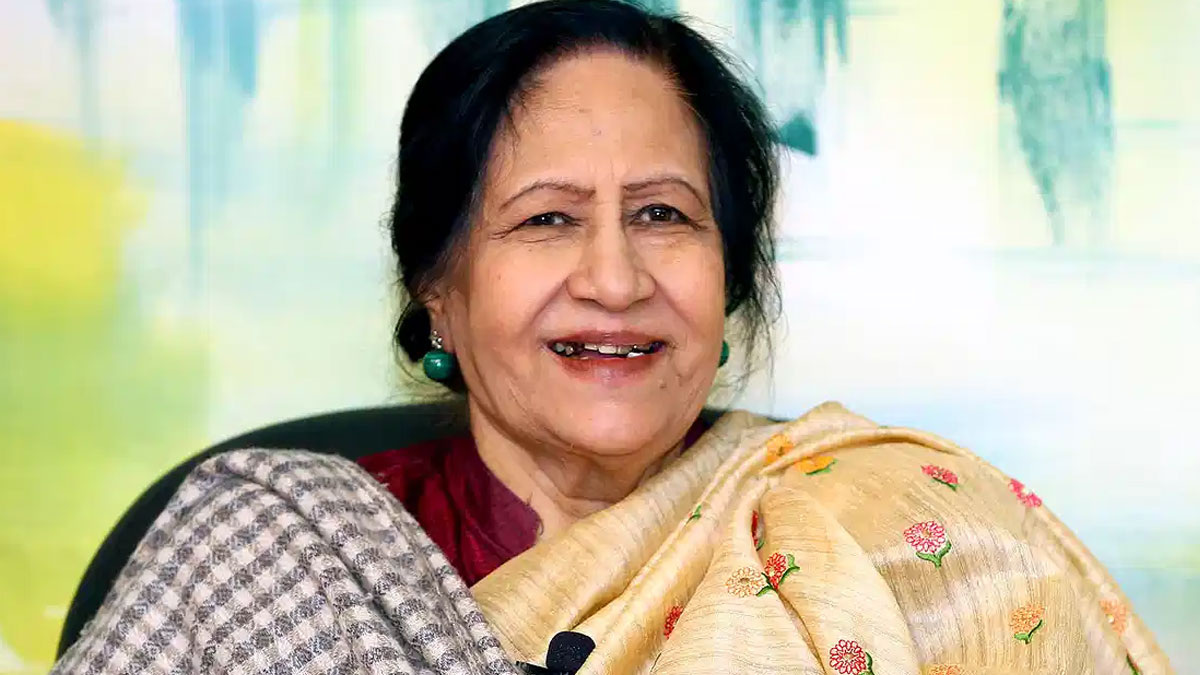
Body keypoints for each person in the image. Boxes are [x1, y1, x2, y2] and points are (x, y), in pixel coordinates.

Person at [53, 1, 1172, 674]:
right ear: (438, 287)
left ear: (730, 279)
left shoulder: (890, 529)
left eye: (664, 216)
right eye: (546, 220)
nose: (614, 278)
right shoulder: (271, 550)